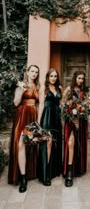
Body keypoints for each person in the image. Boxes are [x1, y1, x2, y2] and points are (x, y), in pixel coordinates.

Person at [8, 64, 43, 193]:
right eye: (32, 71)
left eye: (36, 72)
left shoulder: (38, 86)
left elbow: (39, 104)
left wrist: (38, 122)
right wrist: (22, 90)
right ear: (27, 72)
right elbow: (16, 103)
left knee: (31, 145)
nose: (34, 74)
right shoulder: (21, 85)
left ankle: (30, 172)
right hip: (22, 116)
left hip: (32, 117)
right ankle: (23, 178)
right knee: (21, 144)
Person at [62, 70, 88, 187]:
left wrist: (83, 109)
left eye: (82, 78)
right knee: (71, 143)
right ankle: (69, 172)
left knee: (79, 144)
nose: (81, 80)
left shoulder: (85, 92)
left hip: (81, 121)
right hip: (70, 121)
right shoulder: (69, 90)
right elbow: (62, 104)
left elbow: (87, 105)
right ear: (75, 78)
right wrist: (70, 111)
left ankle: (78, 168)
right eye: (79, 78)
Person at [38, 68, 62, 186]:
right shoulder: (44, 88)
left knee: (55, 144)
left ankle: (53, 170)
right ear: (48, 77)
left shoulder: (59, 88)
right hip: (47, 117)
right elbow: (41, 105)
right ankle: (45, 174)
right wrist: (38, 122)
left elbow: (61, 104)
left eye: (55, 76)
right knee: (48, 143)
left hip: (57, 118)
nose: (53, 78)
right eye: (51, 76)